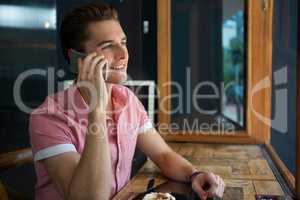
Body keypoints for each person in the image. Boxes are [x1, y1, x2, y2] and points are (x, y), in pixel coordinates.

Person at [29, 2, 225, 200]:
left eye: (123, 42)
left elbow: (163, 155)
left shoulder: (127, 99)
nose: (123, 54)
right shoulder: (48, 117)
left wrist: (194, 174)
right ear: (77, 58)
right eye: (107, 46)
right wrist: (96, 109)